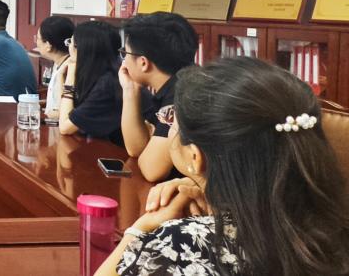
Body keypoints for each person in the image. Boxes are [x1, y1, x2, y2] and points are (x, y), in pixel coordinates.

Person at [97, 57, 349, 276]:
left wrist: (140, 229)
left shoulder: (184, 243)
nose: (169, 126)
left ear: (195, 157)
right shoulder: (331, 227)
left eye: (173, 121)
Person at [118, 12, 199, 182]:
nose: (124, 61)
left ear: (143, 62)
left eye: (125, 53)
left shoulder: (184, 92)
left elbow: (152, 170)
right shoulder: (181, 81)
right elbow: (136, 149)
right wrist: (130, 90)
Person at [57, 21, 124, 145]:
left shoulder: (108, 84)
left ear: (82, 49)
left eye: (70, 42)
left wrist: (70, 78)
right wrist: (61, 76)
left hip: (119, 152)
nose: (68, 47)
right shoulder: (100, 74)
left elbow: (65, 127)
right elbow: (63, 115)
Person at [34, 15, 73, 120]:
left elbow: (66, 113)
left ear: (48, 45)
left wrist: (44, 115)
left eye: (38, 38)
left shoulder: (67, 70)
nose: (36, 42)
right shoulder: (59, 63)